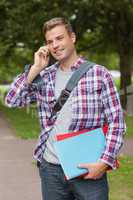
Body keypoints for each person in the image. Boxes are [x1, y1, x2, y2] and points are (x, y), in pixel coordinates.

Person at [5, 17, 126, 200]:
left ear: (73, 37)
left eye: (59, 38)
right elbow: (12, 100)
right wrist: (35, 69)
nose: (55, 45)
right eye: (49, 41)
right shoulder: (43, 76)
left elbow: (117, 123)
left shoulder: (99, 74)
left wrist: (104, 162)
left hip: (87, 170)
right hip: (51, 170)